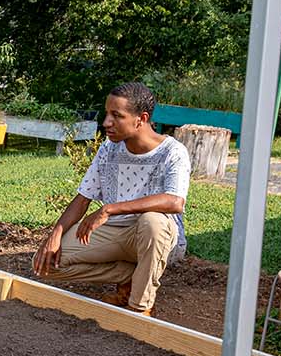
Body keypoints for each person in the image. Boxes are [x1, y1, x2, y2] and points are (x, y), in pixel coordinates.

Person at [32, 82, 190, 316]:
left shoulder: (172, 152)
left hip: (158, 236)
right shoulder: (109, 148)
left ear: (141, 119)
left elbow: (175, 202)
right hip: (116, 233)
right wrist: (54, 236)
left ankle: (139, 307)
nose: (106, 122)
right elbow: (83, 198)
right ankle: (128, 276)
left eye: (116, 116)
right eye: (107, 114)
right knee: (44, 264)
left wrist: (109, 209)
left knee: (152, 222)